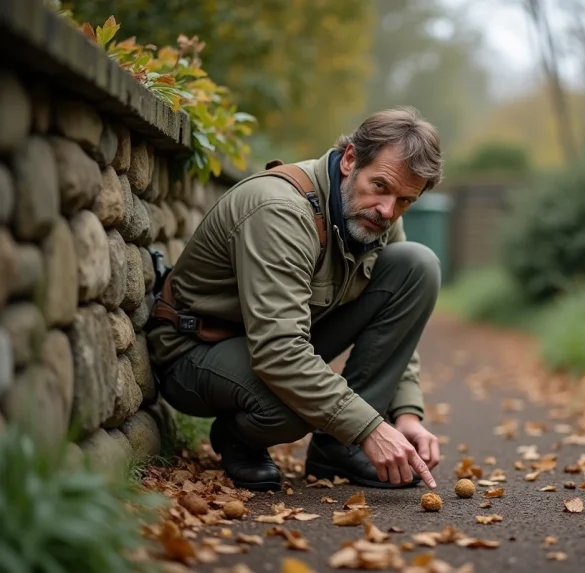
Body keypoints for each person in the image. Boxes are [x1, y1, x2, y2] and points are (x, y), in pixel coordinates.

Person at [146, 106, 443, 492]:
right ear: (350, 159)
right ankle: (240, 437)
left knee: (417, 265)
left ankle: (338, 450)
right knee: (295, 406)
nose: (388, 210)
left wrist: (406, 415)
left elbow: (397, 323)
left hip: (268, 341)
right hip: (194, 349)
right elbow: (279, 352)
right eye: (381, 187)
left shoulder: (380, 212)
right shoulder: (281, 211)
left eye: (405, 200)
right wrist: (370, 426)